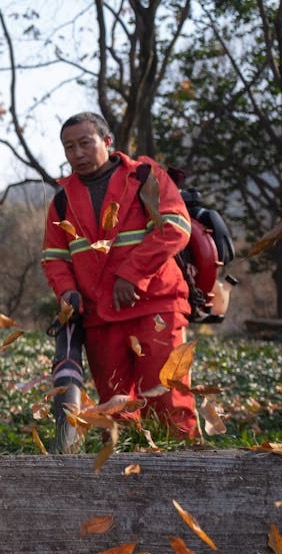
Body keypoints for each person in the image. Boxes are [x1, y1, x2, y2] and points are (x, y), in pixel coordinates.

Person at [40, 112, 197, 438]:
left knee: (167, 401)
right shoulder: (61, 202)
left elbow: (176, 227)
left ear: (107, 142)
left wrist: (132, 274)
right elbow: (54, 258)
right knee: (115, 409)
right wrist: (67, 293)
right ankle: (124, 480)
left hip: (156, 306)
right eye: (69, 147)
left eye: (85, 143)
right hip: (100, 318)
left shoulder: (144, 176)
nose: (77, 154)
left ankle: (187, 471)